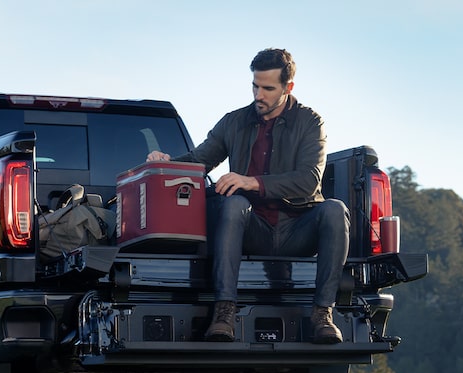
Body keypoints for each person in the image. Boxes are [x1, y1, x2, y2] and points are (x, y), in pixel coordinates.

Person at [146, 48, 350, 344]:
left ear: (287, 87)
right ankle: (224, 312)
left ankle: (322, 315)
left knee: (334, 209)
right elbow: (199, 160)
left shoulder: (310, 122)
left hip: (298, 231)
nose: (259, 95)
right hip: (252, 229)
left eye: (268, 88)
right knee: (234, 203)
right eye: (255, 86)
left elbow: (308, 181)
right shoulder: (233, 121)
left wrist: (251, 181)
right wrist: (165, 162)